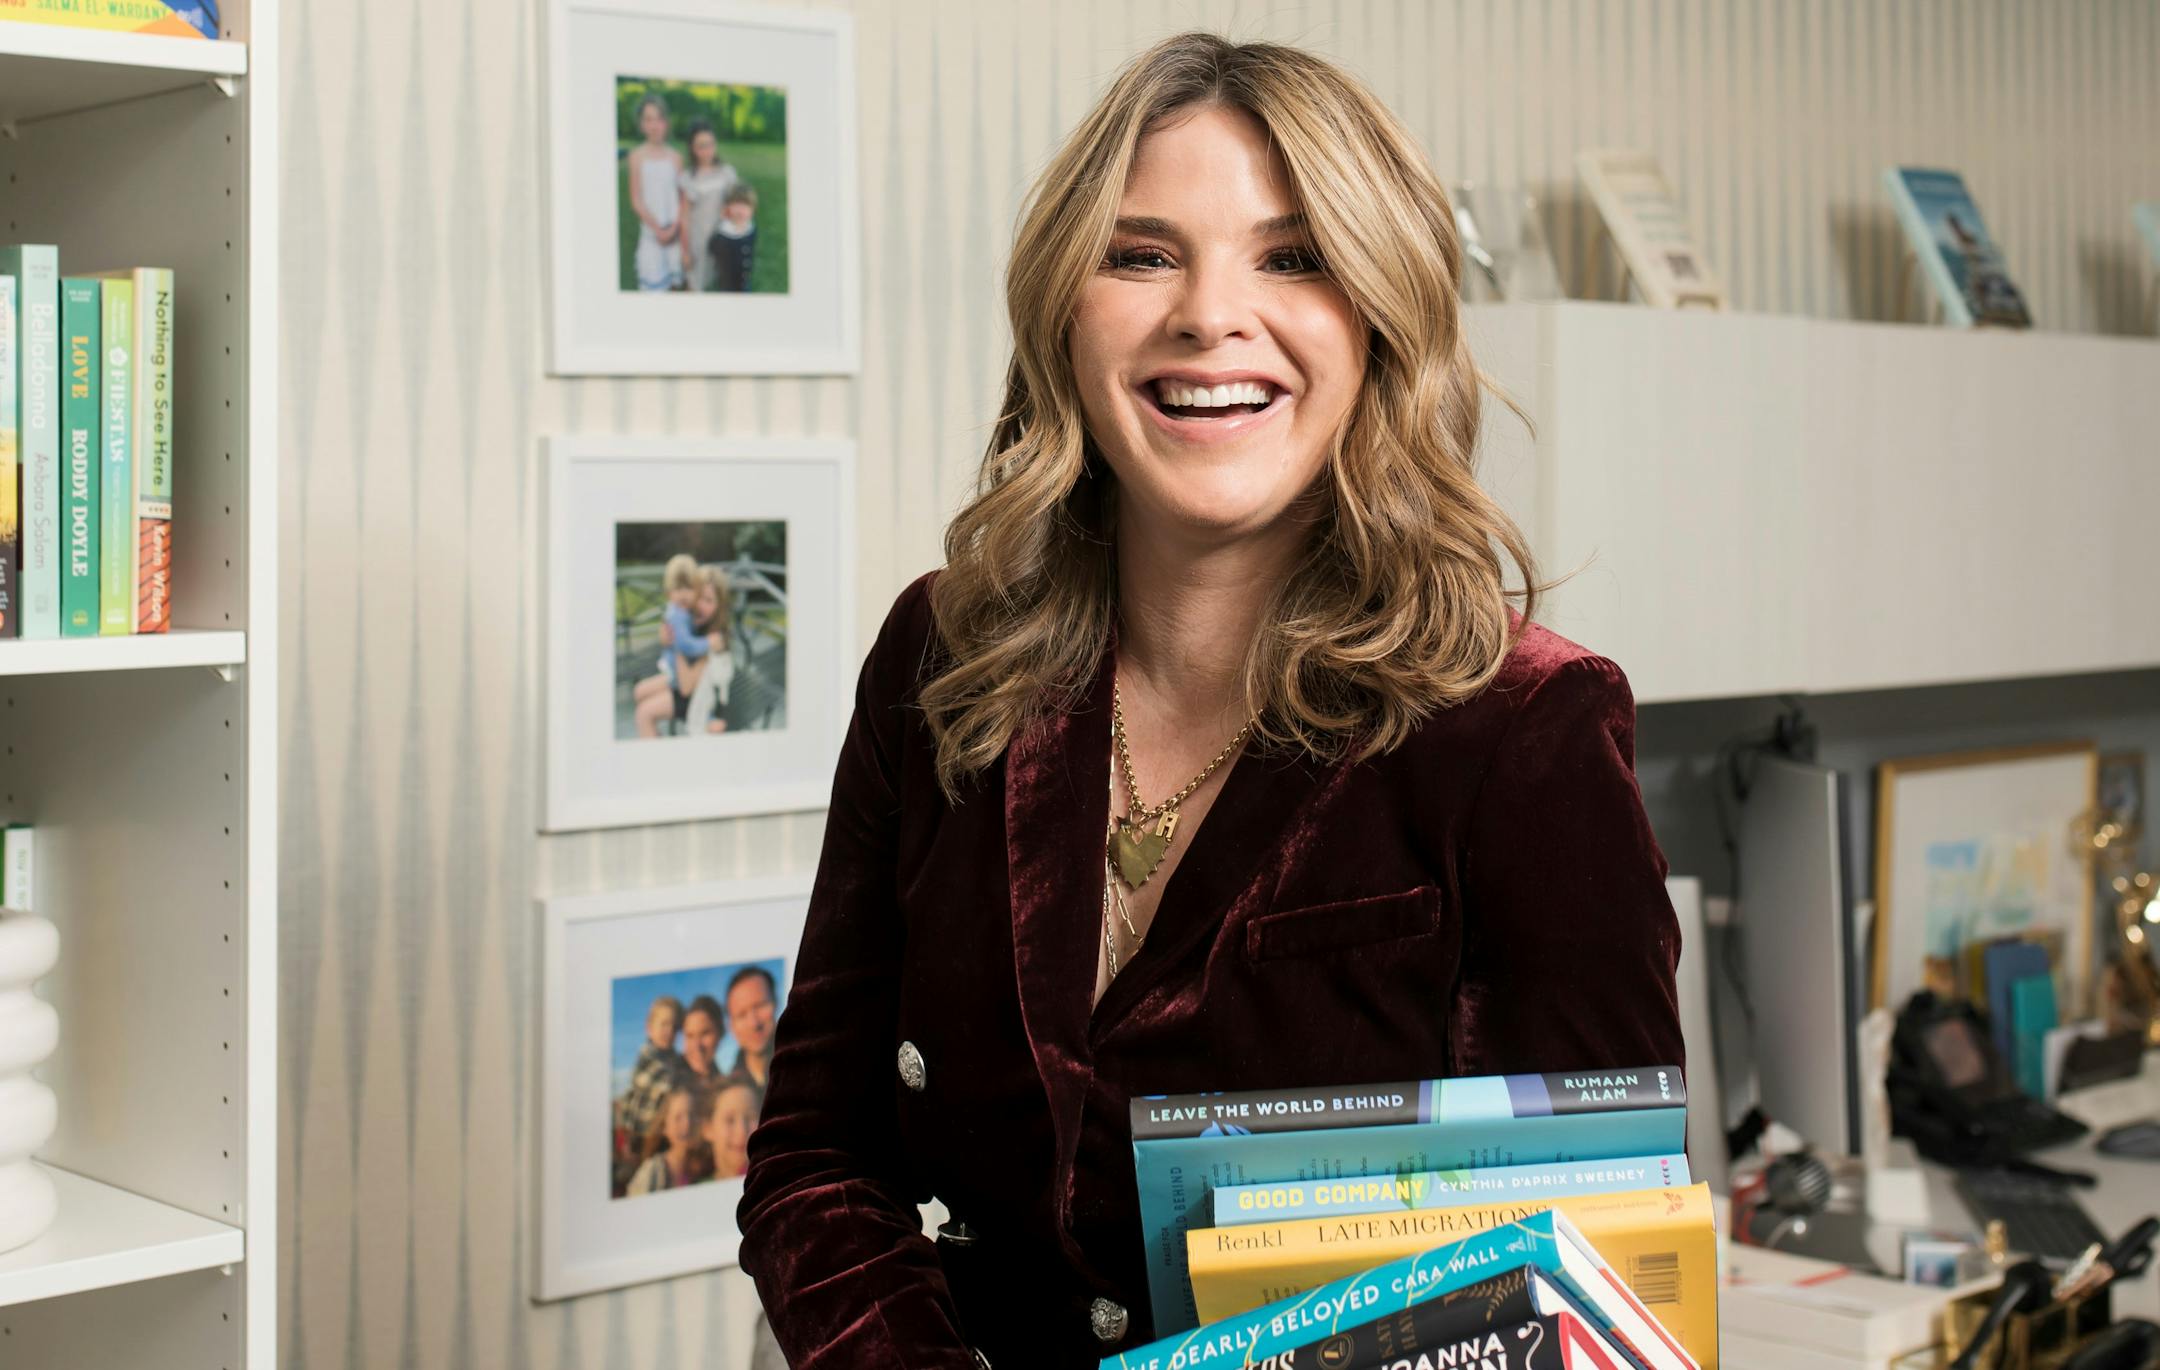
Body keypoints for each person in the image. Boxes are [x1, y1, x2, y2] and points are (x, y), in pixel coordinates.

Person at [738, 32, 1683, 1368]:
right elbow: (817, 1155)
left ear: (1380, 316)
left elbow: (1593, 1287)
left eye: (1292, 258)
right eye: (1141, 255)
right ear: (1065, 311)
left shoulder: (1527, 728)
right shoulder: (940, 654)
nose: (1209, 315)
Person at [611, 994, 685, 1194]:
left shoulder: (673, 1060)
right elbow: (658, 1085)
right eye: (664, 1024)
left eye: (675, 1027)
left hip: (656, 1137)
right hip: (638, 1133)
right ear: (649, 1028)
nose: (669, 1031)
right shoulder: (648, 1056)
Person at [626, 93, 686, 292]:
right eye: (648, 119)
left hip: (674, 234)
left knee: (675, 286)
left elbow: (682, 198)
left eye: (659, 119)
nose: (654, 125)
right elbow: (636, 199)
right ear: (642, 124)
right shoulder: (636, 156)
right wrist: (658, 230)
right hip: (652, 234)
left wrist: (673, 229)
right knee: (653, 288)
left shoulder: (676, 157)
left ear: (666, 123)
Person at [679, 121, 741, 293]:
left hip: (724, 239)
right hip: (698, 241)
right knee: (695, 285)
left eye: (710, 144)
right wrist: (685, 251)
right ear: (692, 148)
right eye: (701, 146)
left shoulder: (727, 172)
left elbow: (737, 204)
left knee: (724, 284)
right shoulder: (688, 178)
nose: (707, 150)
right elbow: (684, 217)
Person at [624, 1086, 700, 1196]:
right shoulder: (652, 1172)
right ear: (664, 1126)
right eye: (678, 1117)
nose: (687, 1124)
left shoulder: (704, 1166)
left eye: (691, 1114)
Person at [721, 965, 776, 1106]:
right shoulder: (725, 1095)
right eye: (742, 1015)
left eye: (760, 1006)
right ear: (731, 1027)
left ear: (776, 1003)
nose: (754, 1023)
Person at [676, 994, 727, 1110]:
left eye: (705, 1033)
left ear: (720, 1034)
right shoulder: (668, 1079)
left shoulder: (723, 1086)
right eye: (690, 1036)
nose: (697, 1045)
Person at [704, 1078, 760, 1181]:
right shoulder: (694, 1189)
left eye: (750, 1117)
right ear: (708, 1129)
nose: (742, 1131)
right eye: (729, 1120)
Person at [707, 183, 757, 292]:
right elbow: (712, 248)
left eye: (746, 206)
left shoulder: (751, 228)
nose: (740, 210)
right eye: (736, 205)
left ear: (753, 209)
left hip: (744, 280)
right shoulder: (724, 232)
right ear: (727, 208)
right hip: (728, 284)